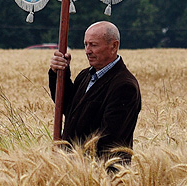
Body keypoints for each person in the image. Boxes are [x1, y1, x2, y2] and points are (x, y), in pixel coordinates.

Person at [47, 20, 142, 170]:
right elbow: (68, 108)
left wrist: (77, 162)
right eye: (86, 44)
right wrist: (59, 73)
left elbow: (109, 139)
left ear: (113, 46)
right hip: (76, 171)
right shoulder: (86, 75)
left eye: (94, 45)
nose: (87, 50)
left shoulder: (124, 86)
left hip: (103, 176)